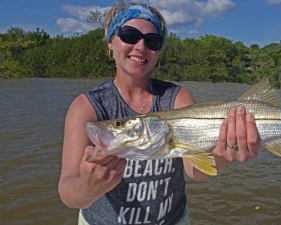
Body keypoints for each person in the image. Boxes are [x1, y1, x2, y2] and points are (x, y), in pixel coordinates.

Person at [58, 2, 260, 225]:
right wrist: (86, 189)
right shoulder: (87, 106)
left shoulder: (176, 98)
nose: (141, 46)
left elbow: (197, 172)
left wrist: (225, 151)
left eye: (152, 41)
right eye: (129, 35)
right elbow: (68, 194)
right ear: (110, 43)